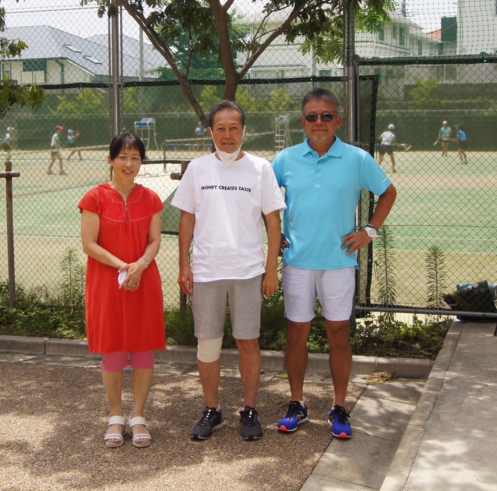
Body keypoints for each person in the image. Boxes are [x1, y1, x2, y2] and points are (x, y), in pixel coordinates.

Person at [272, 88, 396, 439]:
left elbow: (388, 192)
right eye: (312, 116)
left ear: (338, 120)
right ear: (303, 122)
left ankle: (339, 406)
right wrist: (274, 235)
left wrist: (369, 231)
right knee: (296, 334)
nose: (319, 122)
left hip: (340, 263)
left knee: (339, 334)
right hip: (297, 262)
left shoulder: (357, 158)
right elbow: (263, 199)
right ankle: (296, 403)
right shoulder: (285, 159)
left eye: (326, 115)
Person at [171, 100, 286, 442]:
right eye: (220, 128)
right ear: (210, 131)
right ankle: (212, 409)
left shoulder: (260, 168)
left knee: (248, 342)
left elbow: (273, 220)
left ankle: (249, 409)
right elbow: (187, 218)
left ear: (244, 130)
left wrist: (270, 268)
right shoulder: (198, 169)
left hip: (248, 271)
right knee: (208, 345)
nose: (227, 134)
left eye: (233, 127)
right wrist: (184, 264)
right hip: (207, 271)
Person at [79, 132, 165, 448]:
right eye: (123, 157)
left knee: (143, 349)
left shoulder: (151, 198)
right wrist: (123, 266)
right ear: (111, 159)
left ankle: (138, 415)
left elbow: (154, 240)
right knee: (113, 349)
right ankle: (116, 415)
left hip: (143, 279)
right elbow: (89, 244)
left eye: (135, 158)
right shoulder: (94, 198)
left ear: (142, 162)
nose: (129, 164)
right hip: (108, 283)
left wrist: (140, 265)